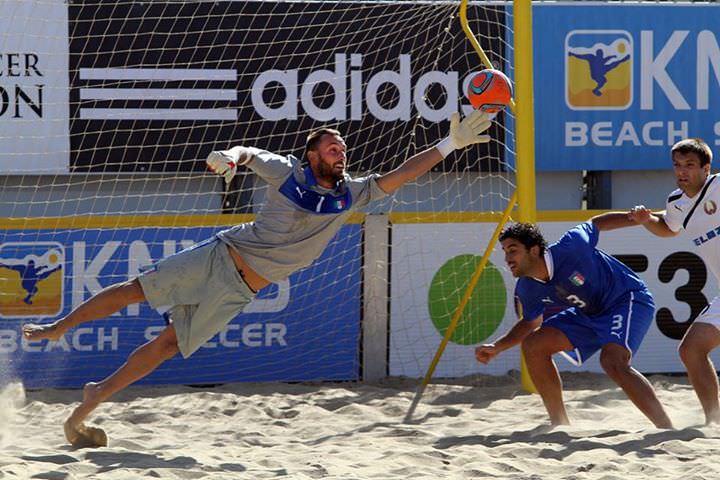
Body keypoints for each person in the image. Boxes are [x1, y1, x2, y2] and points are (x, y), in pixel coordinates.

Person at [22, 110, 493, 447]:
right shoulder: (288, 172)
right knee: (134, 291)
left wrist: (450, 144)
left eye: (344, 148)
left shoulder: (351, 193)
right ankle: (59, 326)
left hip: (242, 290)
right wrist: (228, 154)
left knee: (168, 346)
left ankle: (86, 406)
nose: (341, 152)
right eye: (333, 147)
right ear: (311, 154)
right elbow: (249, 153)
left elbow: (400, 175)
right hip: (221, 255)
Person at [475, 218, 674, 428]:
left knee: (612, 361)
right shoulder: (527, 286)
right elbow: (530, 323)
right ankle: (559, 424)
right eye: (505, 251)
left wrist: (637, 218)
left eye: (512, 250)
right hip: (589, 313)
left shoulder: (571, 246)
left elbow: (596, 222)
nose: (507, 258)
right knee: (534, 345)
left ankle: (667, 429)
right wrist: (497, 347)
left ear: (533, 250)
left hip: (626, 299)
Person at [627, 138, 720, 424]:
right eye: (677, 165)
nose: (682, 171)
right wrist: (646, 220)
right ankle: (714, 421)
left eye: (690, 165)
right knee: (691, 350)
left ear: (706, 168)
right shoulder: (675, 202)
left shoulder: (718, 186)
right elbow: (668, 229)